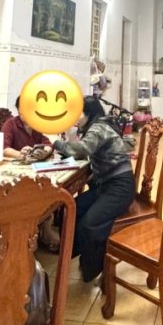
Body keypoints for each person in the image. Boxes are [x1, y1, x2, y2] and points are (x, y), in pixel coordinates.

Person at [52, 95, 135, 282]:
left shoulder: (99, 127)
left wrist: (55, 142)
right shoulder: (95, 126)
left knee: (89, 224)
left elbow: (82, 149)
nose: (75, 117)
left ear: (89, 113)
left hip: (120, 187)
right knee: (71, 209)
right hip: (106, 185)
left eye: (78, 113)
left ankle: (94, 268)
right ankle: (73, 252)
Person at [1, 95, 51, 160]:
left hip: (36, 162)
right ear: (18, 110)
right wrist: (19, 154)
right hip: (16, 163)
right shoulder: (10, 124)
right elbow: (4, 149)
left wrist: (44, 152)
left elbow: (48, 145)